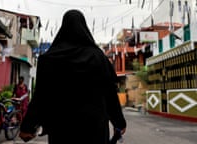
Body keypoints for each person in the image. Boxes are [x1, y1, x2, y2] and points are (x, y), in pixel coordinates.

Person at [19, 9, 126, 144]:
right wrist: (119, 122)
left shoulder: (50, 59)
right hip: (94, 130)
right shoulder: (98, 57)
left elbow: (41, 96)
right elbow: (109, 93)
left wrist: (28, 126)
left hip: (62, 130)